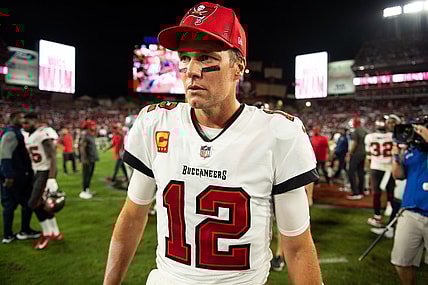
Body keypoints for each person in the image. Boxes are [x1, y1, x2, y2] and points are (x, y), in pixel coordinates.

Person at [104, 3, 322, 285]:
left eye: (205, 57)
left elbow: (297, 246)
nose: (191, 70)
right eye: (185, 57)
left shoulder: (279, 134)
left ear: (238, 67)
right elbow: (133, 216)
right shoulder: (154, 123)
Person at [390, 118, 428, 285]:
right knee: (401, 262)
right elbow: (399, 175)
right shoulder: (412, 150)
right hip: (410, 211)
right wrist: (395, 157)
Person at [23, 112, 62, 249]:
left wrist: (51, 178)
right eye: (23, 122)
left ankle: (46, 233)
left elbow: (52, 155)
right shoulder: (29, 135)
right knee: (42, 204)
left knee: (33, 203)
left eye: (27, 122)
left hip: (44, 172)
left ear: (35, 121)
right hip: (37, 171)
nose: (25, 125)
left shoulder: (42, 133)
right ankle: (55, 232)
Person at [0, 111, 40, 244]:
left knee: (11, 205)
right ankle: (23, 230)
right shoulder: (11, 133)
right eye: (20, 118)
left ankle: (8, 234)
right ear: (12, 119)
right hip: (16, 176)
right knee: (24, 202)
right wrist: (8, 175)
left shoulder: (13, 132)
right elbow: (5, 155)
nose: (23, 120)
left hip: (15, 174)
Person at [365, 115, 400, 229]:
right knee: (391, 192)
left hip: (375, 166)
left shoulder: (370, 137)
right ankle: (391, 213)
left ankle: (377, 217)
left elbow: (369, 155)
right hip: (389, 167)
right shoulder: (392, 136)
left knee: (376, 193)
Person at [346, 116, 367, 200]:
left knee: (351, 171)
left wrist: (349, 153)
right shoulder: (365, 131)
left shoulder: (355, 131)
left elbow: (354, 143)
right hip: (363, 153)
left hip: (356, 153)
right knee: (361, 172)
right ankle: (361, 190)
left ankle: (355, 192)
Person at [78, 120, 98, 199]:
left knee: (89, 175)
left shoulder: (90, 134)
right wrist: (84, 159)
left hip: (91, 158)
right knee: (86, 175)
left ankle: (87, 189)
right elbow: (82, 148)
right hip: (87, 159)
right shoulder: (85, 135)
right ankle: (83, 191)